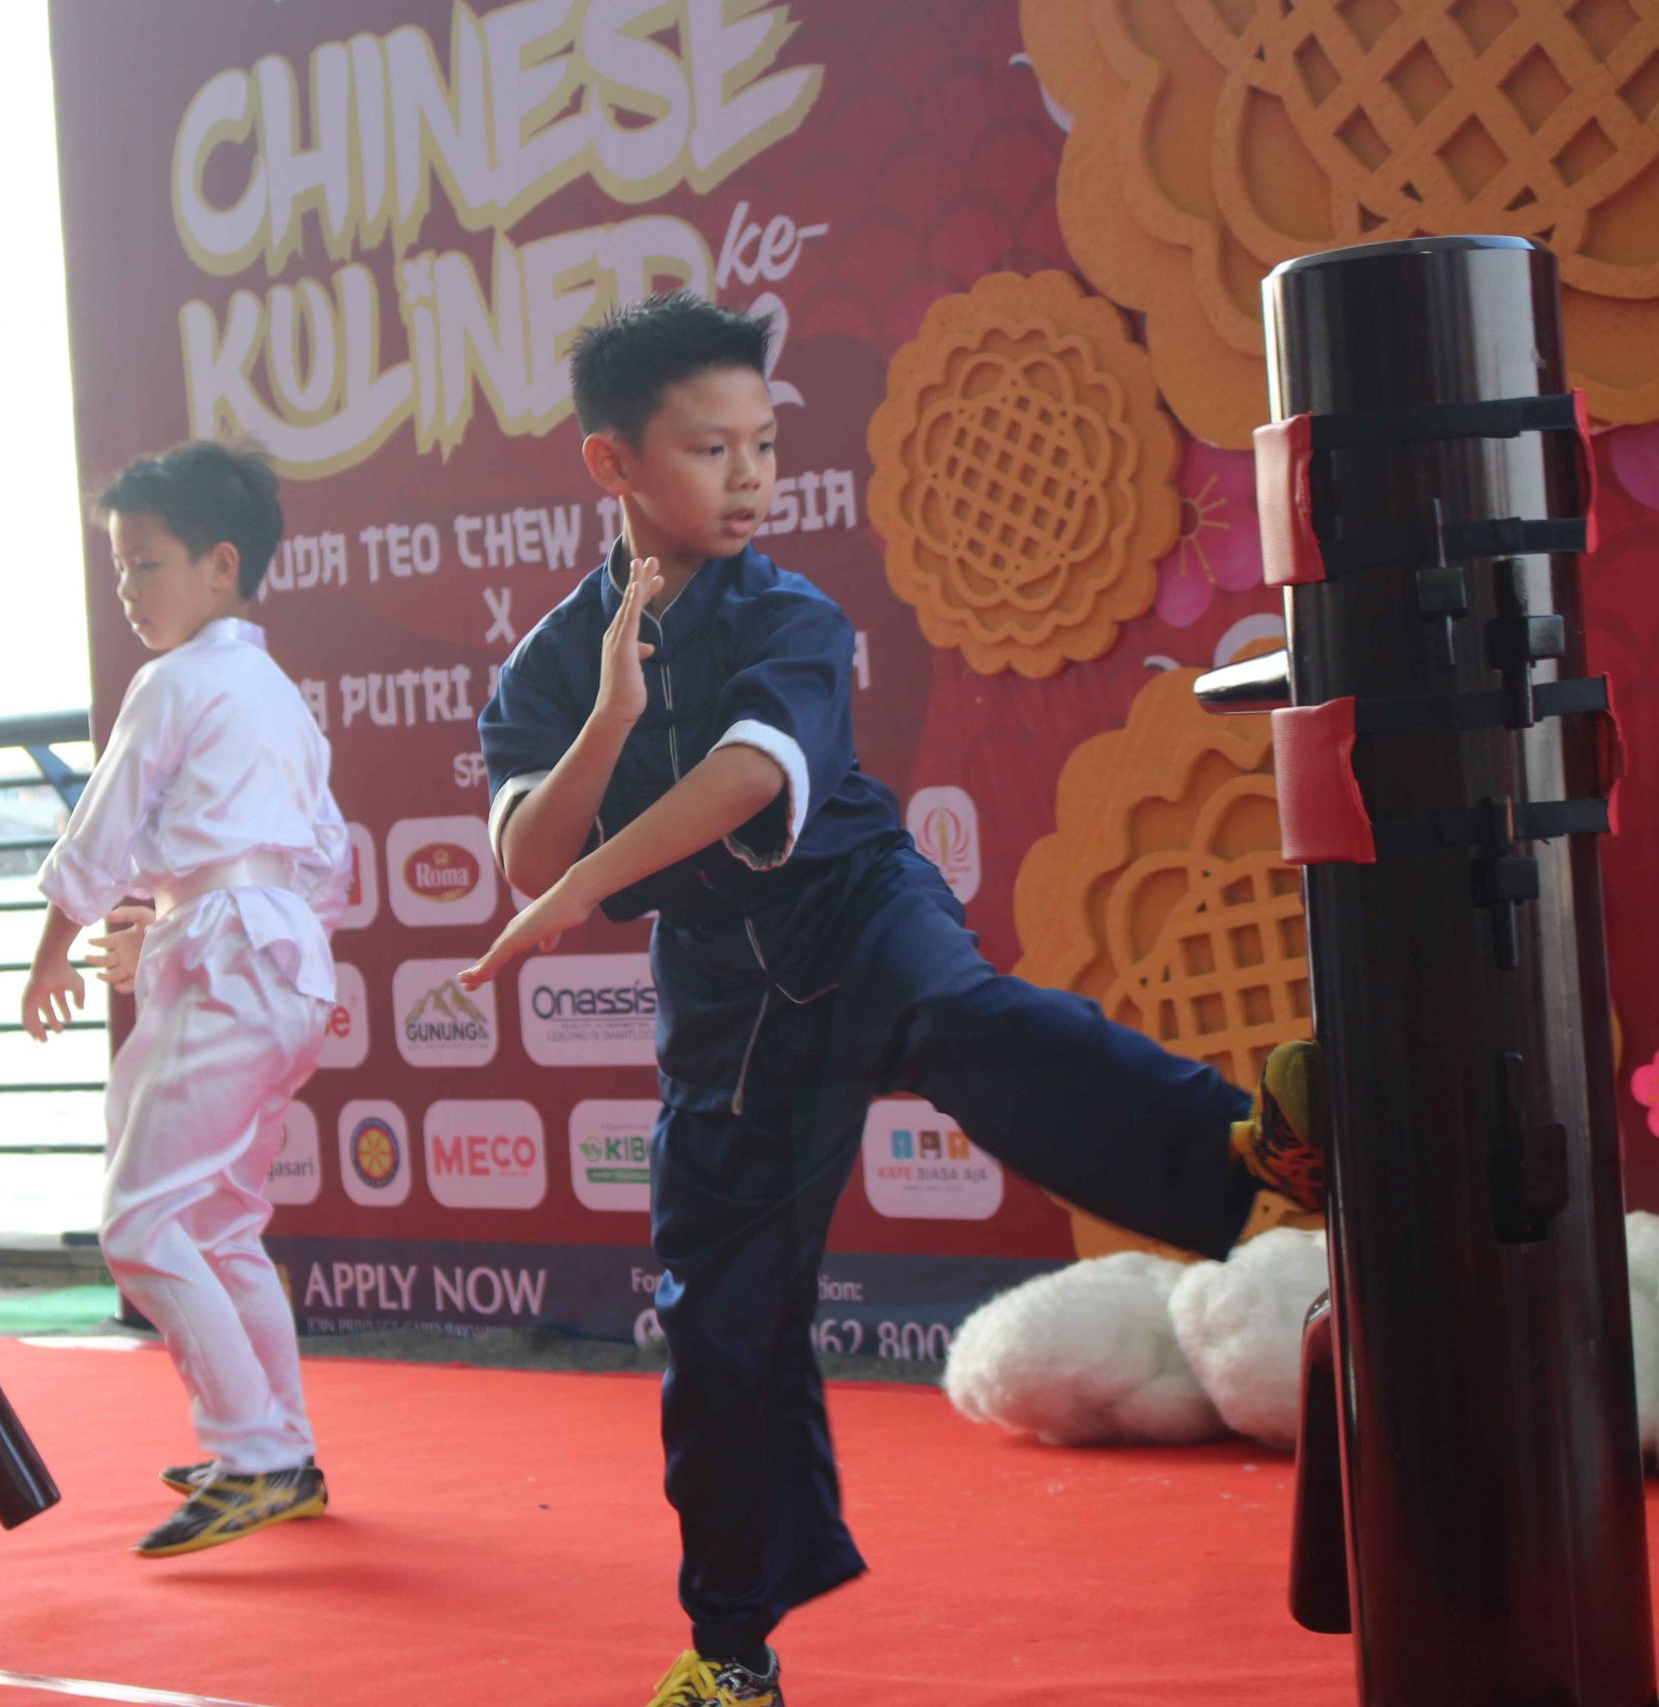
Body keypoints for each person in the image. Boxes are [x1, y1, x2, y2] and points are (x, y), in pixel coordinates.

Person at [456, 292, 1325, 1706]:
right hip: (725, 996)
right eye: (710, 449)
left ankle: (1249, 1148)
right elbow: (523, 852)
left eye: (762, 443)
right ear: (611, 463)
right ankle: (731, 1654)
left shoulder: (789, 612)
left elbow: (743, 778)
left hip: (858, 904)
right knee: (722, 1325)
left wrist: (581, 886)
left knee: (959, 1016)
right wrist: (608, 715)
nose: (750, 476)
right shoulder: (553, 665)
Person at [22, 439, 350, 1558]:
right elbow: (324, 857)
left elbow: (102, 827)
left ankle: (256, 1455)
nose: (127, 589)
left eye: (145, 564)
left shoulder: (173, 682)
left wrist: (54, 950)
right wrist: (193, 919)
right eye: (118, 567)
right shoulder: (277, 695)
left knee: (144, 1220)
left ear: (220, 566)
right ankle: (277, 1446)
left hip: (230, 958)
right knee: (219, 1222)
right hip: (280, 962)